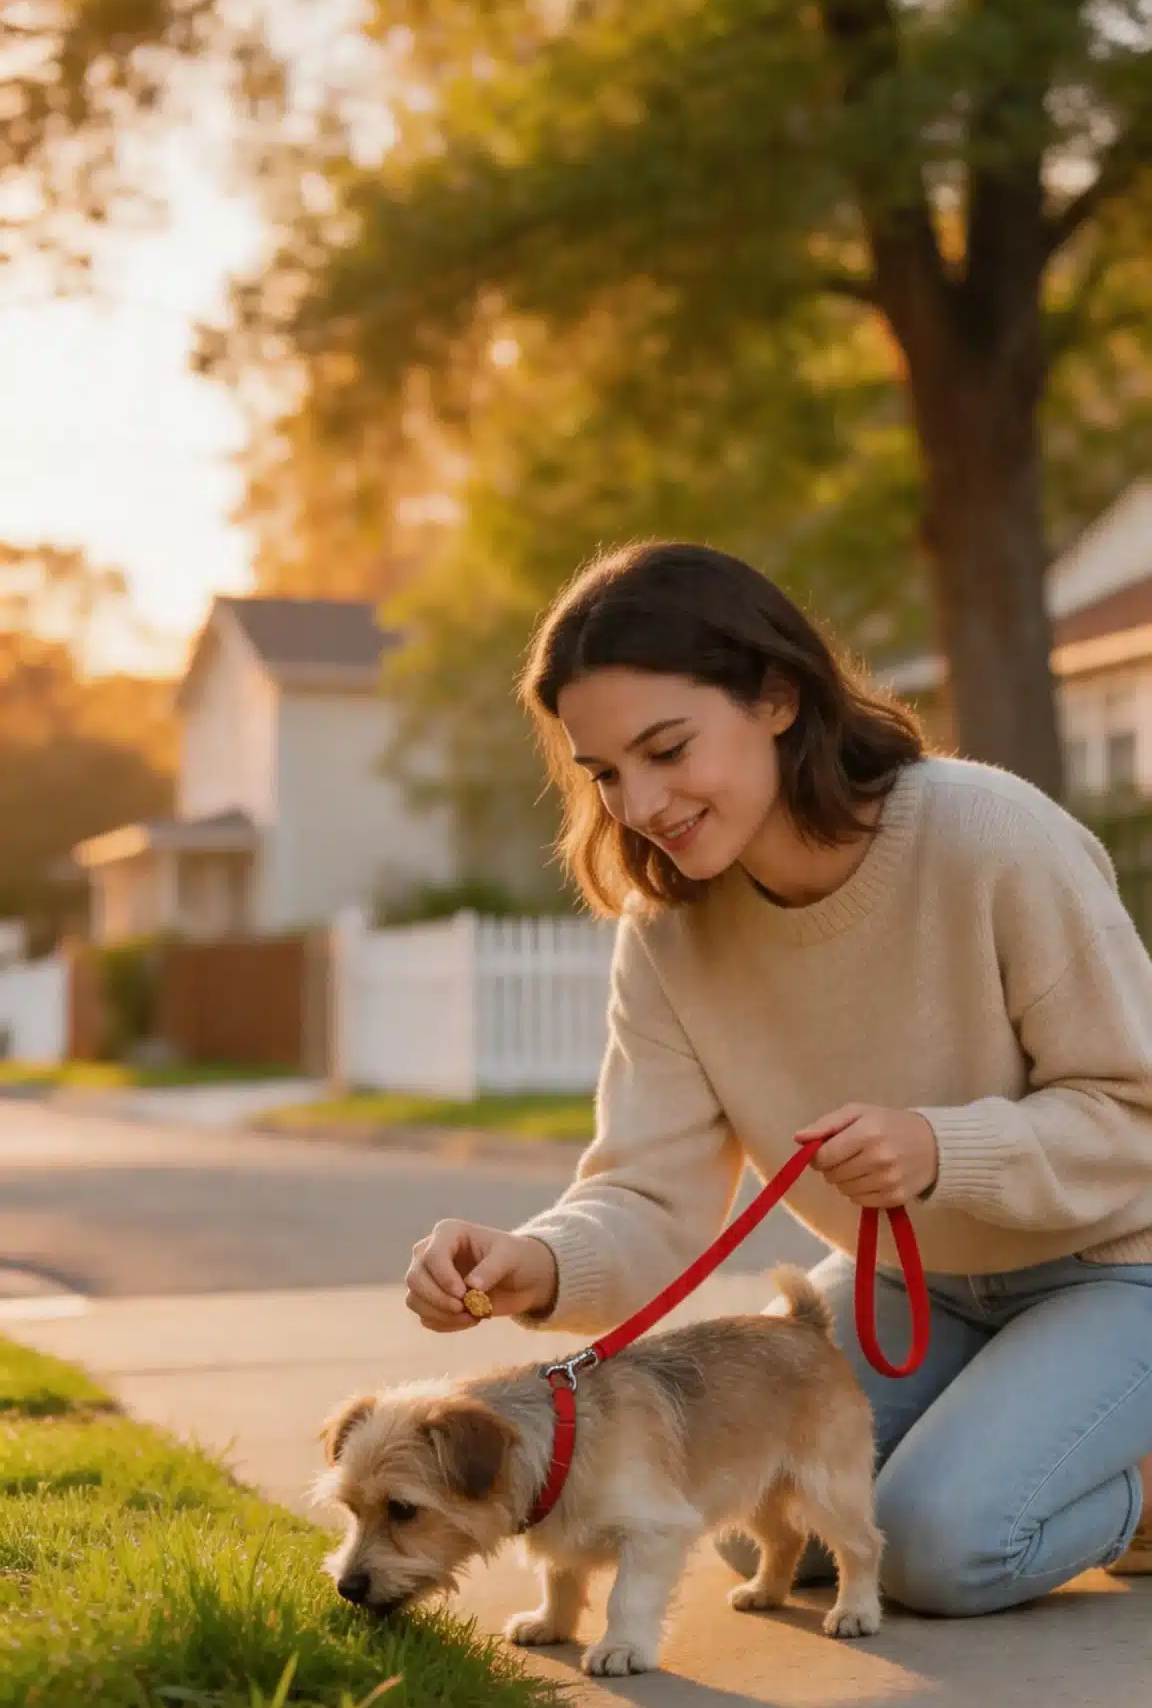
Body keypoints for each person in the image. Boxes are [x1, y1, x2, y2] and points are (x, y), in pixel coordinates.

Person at [405, 539, 1152, 1616]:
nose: (642, 801)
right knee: (761, 1515)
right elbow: (649, 1193)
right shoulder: (668, 932)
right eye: (606, 772)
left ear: (777, 696)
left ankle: (1130, 1484)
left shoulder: (992, 835)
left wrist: (943, 1147)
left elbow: (1134, 1106)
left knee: (939, 1547)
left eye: (667, 748)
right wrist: (537, 1258)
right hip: (915, 1285)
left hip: (1118, 1268)